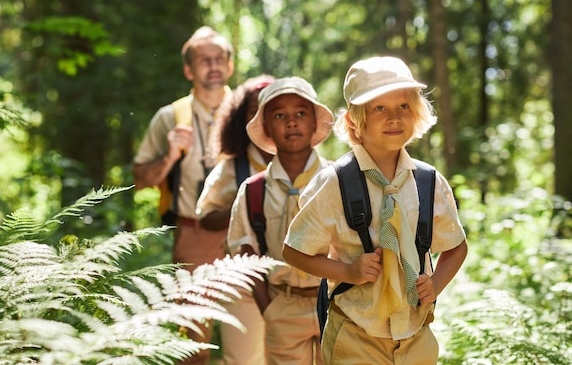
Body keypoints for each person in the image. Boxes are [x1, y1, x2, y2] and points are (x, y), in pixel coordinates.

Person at [282, 56, 468, 365]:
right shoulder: (334, 183)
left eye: (403, 107)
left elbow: (456, 247)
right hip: (355, 334)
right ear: (355, 119)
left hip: (416, 336)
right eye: (379, 108)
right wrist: (346, 271)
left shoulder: (429, 182)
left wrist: (436, 284)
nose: (394, 117)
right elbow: (294, 251)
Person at [132, 26, 234, 365]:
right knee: (193, 341)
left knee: (253, 332)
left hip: (249, 232)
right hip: (194, 234)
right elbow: (140, 179)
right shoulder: (170, 117)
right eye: (204, 60)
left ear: (230, 66)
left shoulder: (247, 112)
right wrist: (170, 156)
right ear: (189, 70)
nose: (214, 65)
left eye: (220, 58)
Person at [227, 76, 334, 365]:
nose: (291, 122)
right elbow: (244, 251)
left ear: (314, 122)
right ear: (266, 128)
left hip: (336, 304)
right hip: (282, 304)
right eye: (279, 115)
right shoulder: (253, 190)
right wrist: (268, 308)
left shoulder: (338, 181)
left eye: (301, 113)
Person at [195, 74, 275, 365]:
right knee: (243, 359)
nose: (262, 117)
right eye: (254, 109)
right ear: (242, 117)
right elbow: (205, 216)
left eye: (271, 108)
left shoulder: (306, 163)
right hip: (242, 283)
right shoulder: (234, 167)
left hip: (294, 284)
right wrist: (245, 205)